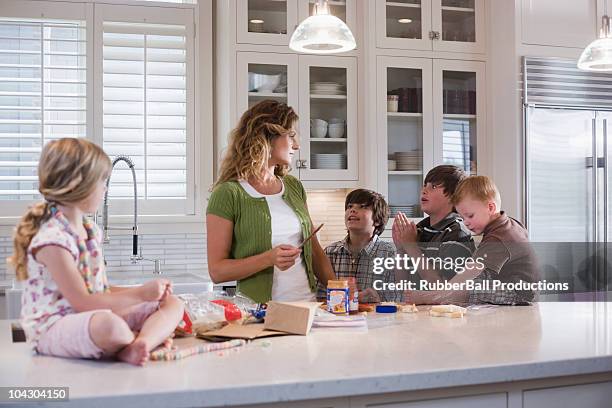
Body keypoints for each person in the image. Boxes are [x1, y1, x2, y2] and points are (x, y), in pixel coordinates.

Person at [9, 138, 183, 366]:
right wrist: (141, 294)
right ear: (77, 185)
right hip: (55, 326)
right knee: (109, 326)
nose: (105, 188)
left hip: (90, 317)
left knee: (173, 303)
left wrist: (150, 294)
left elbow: (101, 290)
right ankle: (135, 339)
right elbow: (82, 302)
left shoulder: (89, 230)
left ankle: (141, 345)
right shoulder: (52, 240)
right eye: (102, 181)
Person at [206, 100, 335, 303]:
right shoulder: (228, 193)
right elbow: (217, 271)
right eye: (291, 136)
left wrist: (341, 292)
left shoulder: (293, 187)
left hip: (308, 308)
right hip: (260, 314)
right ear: (267, 137)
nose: (297, 145)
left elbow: (316, 254)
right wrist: (268, 259)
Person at [399, 176, 539, 305]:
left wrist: (436, 295)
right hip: (519, 288)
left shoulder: (499, 237)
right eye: (462, 217)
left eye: (470, 216)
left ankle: (429, 298)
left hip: (519, 294)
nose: (466, 222)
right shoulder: (507, 225)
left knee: (469, 287)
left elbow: (467, 274)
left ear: (490, 207)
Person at [392, 165, 474, 283]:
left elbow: (443, 288)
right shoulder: (418, 230)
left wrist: (410, 246)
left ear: (454, 197)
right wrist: (401, 249)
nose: (423, 190)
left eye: (434, 186)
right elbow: (402, 284)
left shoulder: (457, 232)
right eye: (425, 185)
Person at [320, 189, 400, 303]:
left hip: (378, 319)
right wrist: (348, 299)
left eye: (362, 207)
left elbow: (398, 299)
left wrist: (377, 299)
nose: (352, 210)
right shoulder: (329, 252)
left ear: (377, 220)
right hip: (338, 319)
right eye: (349, 206)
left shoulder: (391, 254)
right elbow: (318, 298)